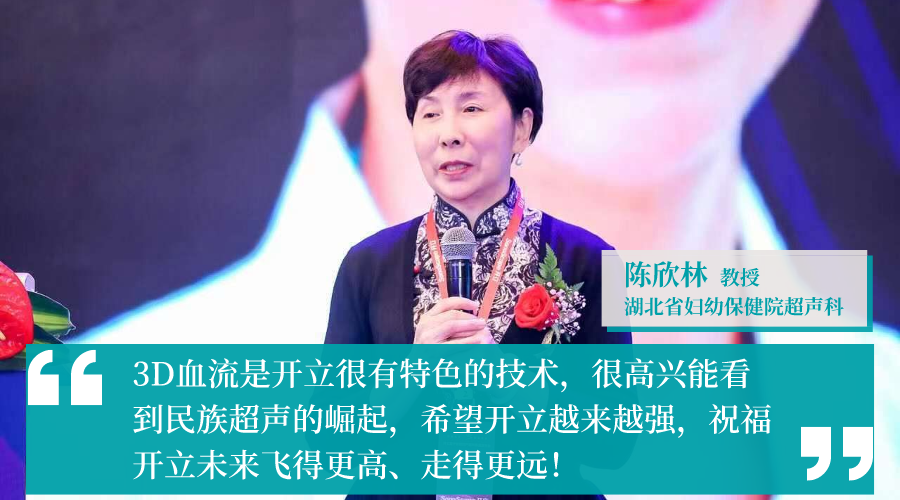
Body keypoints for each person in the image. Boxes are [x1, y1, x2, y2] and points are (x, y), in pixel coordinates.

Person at [325, 31, 628, 350]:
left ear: (521, 128)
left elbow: (614, 384)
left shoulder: (593, 261)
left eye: (471, 109)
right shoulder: (366, 265)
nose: (449, 135)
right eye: (431, 114)